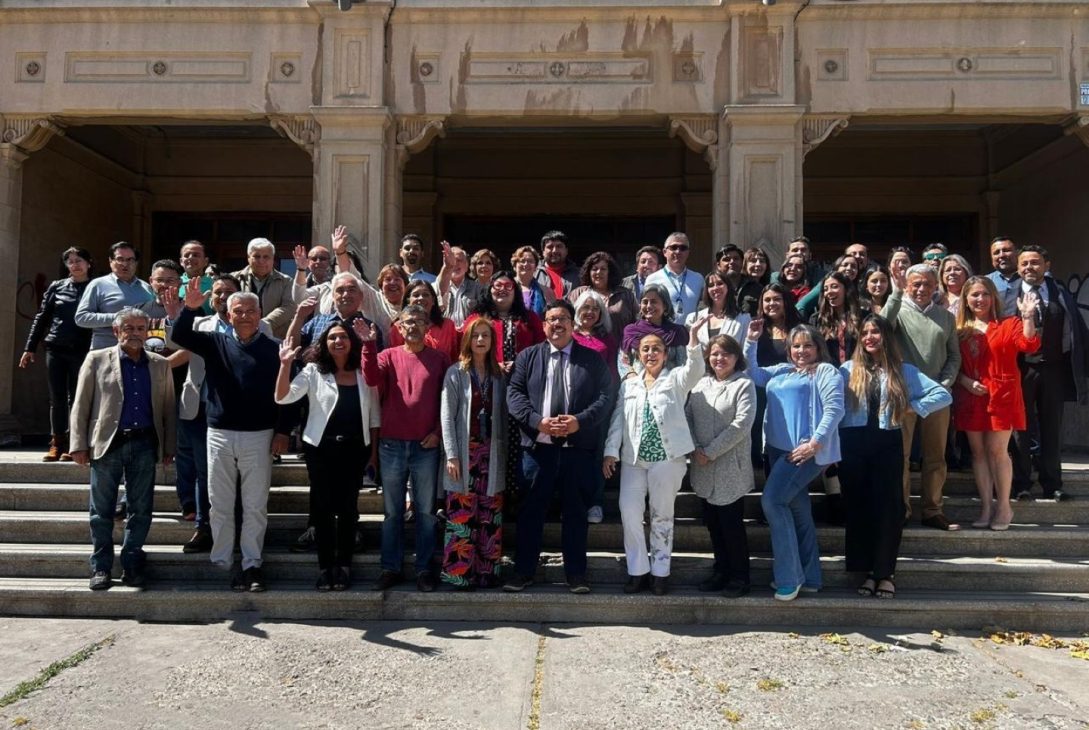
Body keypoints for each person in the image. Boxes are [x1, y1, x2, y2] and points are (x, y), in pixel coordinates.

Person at [168, 285, 291, 592]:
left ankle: (252, 564)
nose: (245, 316)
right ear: (228, 314)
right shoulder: (215, 342)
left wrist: (283, 431)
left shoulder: (275, 348)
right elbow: (180, 337)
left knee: (254, 505)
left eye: (251, 311)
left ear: (260, 315)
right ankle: (222, 560)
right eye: (239, 311)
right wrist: (191, 308)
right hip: (219, 433)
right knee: (219, 503)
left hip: (259, 436)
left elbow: (288, 396)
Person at [503, 300, 614, 594]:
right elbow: (514, 394)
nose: (557, 324)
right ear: (544, 325)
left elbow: (606, 396)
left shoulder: (591, 359)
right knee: (530, 512)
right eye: (552, 319)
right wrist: (537, 421)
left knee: (576, 512)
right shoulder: (528, 357)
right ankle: (523, 572)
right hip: (538, 451)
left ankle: (576, 575)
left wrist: (580, 421)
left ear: (573, 323)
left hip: (577, 450)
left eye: (563, 318)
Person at [840, 314, 952, 600]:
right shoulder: (846, 370)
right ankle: (866, 571)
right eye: (864, 333)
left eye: (875, 332)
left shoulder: (904, 371)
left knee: (889, 510)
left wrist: (911, 407)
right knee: (859, 510)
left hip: (887, 444)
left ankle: (885, 573)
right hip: (852, 445)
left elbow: (942, 394)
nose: (869, 337)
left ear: (886, 336)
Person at [69, 307, 176, 591]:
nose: (135, 334)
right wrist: (78, 444)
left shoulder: (159, 364)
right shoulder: (96, 359)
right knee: (100, 511)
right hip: (107, 444)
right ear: (116, 332)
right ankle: (101, 567)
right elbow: (80, 405)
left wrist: (169, 446)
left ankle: (132, 563)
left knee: (141, 509)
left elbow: (167, 409)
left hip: (144, 443)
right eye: (129, 328)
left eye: (141, 329)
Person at [604, 317, 706, 595]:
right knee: (630, 513)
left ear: (665, 354)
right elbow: (618, 419)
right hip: (634, 460)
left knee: (662, 516)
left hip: (666, 459)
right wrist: (611, 451)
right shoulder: (630, 384)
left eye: (656, 349)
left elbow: (695, 370)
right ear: (638, 353)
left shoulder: (675, 379)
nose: (650, 354)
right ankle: (638, 571)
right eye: (645, 349)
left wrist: (694, 340)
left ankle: (661, 572)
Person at [744, 321, 844, 601]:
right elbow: (752, 373)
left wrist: (815, 443)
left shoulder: (825, 371)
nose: (801, 351)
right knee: (799, 512)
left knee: (772, 502)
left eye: (807, 345)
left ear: (818, 348)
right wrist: (751, 341)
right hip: (777, 451)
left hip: (803, 452)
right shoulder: (783, 370)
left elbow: (835, 409)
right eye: (796, 345)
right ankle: (811, 577)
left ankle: (790, 577)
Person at [275, 322, 379, 591]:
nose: (338, 341)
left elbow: (374, 417)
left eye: (343, 336)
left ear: (351, 342)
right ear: (324, 343)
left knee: (347, 510)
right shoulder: (312, 371)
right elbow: (283, 397)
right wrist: (285, 364)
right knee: (322, 510)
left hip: (355, 449)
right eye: (332, 337)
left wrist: (374, 453)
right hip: (321, 449)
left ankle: (343, 567)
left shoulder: (363, 373)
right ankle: (325, 568)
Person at [361, 305, 451, 592]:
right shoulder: (388, 355)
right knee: (392, 512)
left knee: (426, 513)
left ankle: (425, 569)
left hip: (426, 445)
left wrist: (438, 433)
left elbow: (447, 403)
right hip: (391, 445)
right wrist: (368, 344)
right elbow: (371, 378)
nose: (412, 326)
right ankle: (391, 568)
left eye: (419, 321)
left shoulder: (440, 359)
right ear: (398, 327)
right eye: (407, 322)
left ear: (428, 328)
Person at [954, 276, 1040, 529]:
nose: (980, 299)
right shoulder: (959, 329)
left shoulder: (1008, 323)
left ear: (993, 297)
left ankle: (1004, 506)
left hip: (1001, 396)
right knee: (978, 453)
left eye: (984, 294)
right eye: (974, 295)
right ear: (966, 300)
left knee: (997, 451)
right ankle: (986, 507)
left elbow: (1029, 344)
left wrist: (1027, 317)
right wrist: (965, 381)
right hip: (970, 396)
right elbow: (951, 363)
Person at [882, 263, 961, 530]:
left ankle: (932, 509)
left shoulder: (946, 317)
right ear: (907, 285)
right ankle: (900, 509)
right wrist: (894, 292)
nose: (921, 289)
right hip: (903, 396)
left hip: (937, 396)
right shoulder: (898, 312)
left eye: (927, 284)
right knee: (899, 456)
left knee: (935, 455)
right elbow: (882, 325)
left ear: (935, 286)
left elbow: (954, 356)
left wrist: (945, 384)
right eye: (915, 283)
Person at [1012, 245, 1089, 502]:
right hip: (1021, 370)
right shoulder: (1008, 296)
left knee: (1051, 428)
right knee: (1021, 429)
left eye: (1034, 263)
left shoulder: (1062, 294)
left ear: (1047, 265)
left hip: (1054, 369)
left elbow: (1077, 331)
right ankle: (1022, 483)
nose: (1028, 268)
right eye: (1024, 264)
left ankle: (1052, 484)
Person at [439, 318, 508, 589]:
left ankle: (486, 573)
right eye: (476, 336)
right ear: (468, 340)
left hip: (491, 452)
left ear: (492, 342)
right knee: (462, 512)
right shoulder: (456, 373)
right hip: (464, 452)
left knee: (489, 513)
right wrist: (452, 455)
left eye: (486, 336)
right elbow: (447, 416)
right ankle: (459, 575)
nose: (481, 340)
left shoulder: (499, 376)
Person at [685, 334, 756, 598]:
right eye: (714, 353)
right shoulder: (700, 384)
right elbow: (688, 415)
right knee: (713, 524)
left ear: (736, 357)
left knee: (731, 526)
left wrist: (711, 451)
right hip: (702, 465)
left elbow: (742, 424)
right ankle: (721, 571)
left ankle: (740, 576)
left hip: (728, 466)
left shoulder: (743, 385)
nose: (719, 358)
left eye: (725, 353)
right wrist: (694, 446)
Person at [21, 246, 94, 461]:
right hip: (56, 348)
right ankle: (57, 443)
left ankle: (75, 444)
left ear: (89, 263)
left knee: (78, 398)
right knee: (57, 399)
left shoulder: (96, 286)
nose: (75, 264)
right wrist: (29, 348)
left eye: (79, 260)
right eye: (70, 261)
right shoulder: (57, 287)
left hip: (83, 350)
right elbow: (42, 317)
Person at [750, 283, 802, 472]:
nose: (772, 303)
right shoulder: (756, 327)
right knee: (758, 429)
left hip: (791, 391)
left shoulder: (799, 328)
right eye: (767, 300)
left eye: (777, 299)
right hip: (762, 387)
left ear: (786, 301)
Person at [75, 241, 154, 350]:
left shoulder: (147, 288)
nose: (125, 264)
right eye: (120, 259)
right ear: (110, 261)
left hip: (139, 354)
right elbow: (81, 318)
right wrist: (117, 317)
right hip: (106, 352)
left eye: (130, 260)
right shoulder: (98, 285)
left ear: (136, 263)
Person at [231, 237, 297, 339]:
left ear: (273, 259)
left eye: (266, 257)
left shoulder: (286, 281)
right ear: (248, 258)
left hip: (274, 338)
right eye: (257, 256)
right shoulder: (234, 279)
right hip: (240, 339)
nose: (261, 261)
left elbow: (289, 307)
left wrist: (264, 324)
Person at [618, 284, 689, 379]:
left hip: (669, 387)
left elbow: (682, 364)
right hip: (637, 387)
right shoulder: (631, 331)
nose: (648, 306)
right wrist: (630, 375)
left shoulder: (676, 332)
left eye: (654, 302)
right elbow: (622, 361)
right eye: (645, 302)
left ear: (665, 306)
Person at [567, 251, 638, 336]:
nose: (598, 272)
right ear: (588, 272)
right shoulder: (578, 294)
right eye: (594, 269)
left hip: (620, 347)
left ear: (610, 272)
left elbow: (637, 322)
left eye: (603, 269)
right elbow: (568, 320)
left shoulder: (626, 294)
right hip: (585, 347)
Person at [388, 280, 460, 361]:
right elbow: (394, 358)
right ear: (408, 301)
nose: (421, 298)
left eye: (425, 295)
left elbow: (454, 357)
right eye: (416, 295)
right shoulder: (398, 327)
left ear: (433, 300)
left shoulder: (447, 325)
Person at [644, 232, 703, 319]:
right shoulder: (652, 279)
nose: (678, 251)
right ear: (664, 252)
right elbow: (646, 309)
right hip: (662, 331)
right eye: (674, 247)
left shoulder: (698, 279)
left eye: (683, 248)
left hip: (691, 331)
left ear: (688, 252)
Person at [685, 271, 751, 348]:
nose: (715, 288)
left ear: (728, 287)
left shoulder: (743, 318)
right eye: (711, 285)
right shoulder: (693, 318)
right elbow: (689, 352)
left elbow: (746, 352)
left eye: (720, 283)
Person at [436, 243, 482, 329]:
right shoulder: (436, 286)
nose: (454, 264)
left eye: (459, 260)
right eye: (451, 260)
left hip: (469, 336)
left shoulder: (477, 288)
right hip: (445, 336)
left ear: (467, 265)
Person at [512, 245, 555, 318]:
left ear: (535, 267)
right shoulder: (507, 288)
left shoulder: (547, 292)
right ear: (514, 266)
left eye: (530, 261)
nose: (526, 264)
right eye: (522, 261)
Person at [535, 230, 581, 298]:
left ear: (566, 250)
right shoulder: (533, 273)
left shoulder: (579, 275)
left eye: (559, 246)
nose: (554, 251)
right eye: (550, 247)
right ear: (543, 252)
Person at [986, 236, 1021, 317]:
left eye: (1006, 250)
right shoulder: (986, 282)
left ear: (1017, 253)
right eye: (996, 252)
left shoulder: (1029, 278)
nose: (1001, 255)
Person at [178, 240, 213, 316]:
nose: (190, 258)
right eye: (186, 255)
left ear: (205, 261)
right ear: (181, 261)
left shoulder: (214, 284)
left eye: (196, 255)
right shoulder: (175, 283)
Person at [738, 247, 771, 317]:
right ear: (745, 264)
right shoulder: (738, 285)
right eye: (753, 261)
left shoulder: (768, 287)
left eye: (762, 261)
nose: (758, 264)